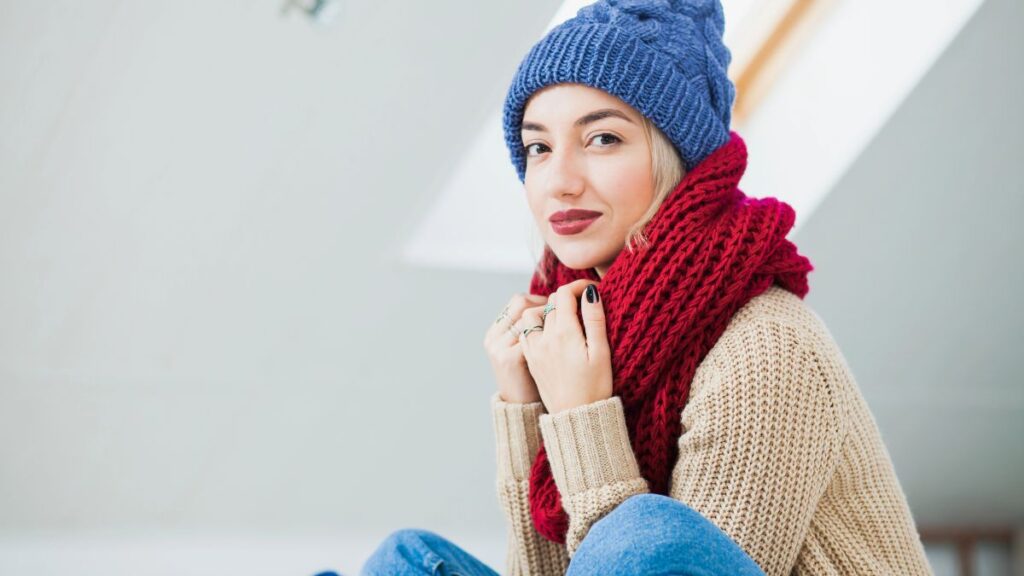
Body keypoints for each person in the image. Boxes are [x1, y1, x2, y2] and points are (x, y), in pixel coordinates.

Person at [358, 1, 935, 574]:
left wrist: (582, 417)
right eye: (539, 147)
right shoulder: (581, 329)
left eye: (603, 139)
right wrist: (527, 409)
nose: (559, 181)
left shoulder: (766, 350)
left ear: (675, 157)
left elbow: (656, 564)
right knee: (404, 562)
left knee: (649, 538)